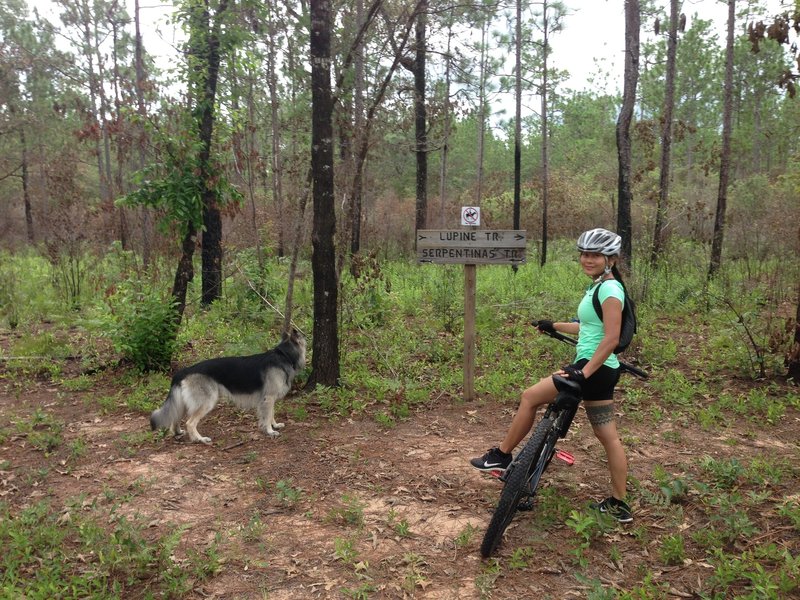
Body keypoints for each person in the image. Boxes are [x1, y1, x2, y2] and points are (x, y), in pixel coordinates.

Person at [470, 228, 633, 523]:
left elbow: (610, 339)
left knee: (530, 397)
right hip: (604, 371)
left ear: (611, 258)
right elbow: (588, 328)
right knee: (608, 436)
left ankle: (501, 456)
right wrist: (553, 325)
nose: (587, 259)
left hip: (592, 368)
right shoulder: (602, 287)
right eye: (584, 254)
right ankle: (619, 504)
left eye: (595, 255)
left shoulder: (610, 290)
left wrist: (582, 372)